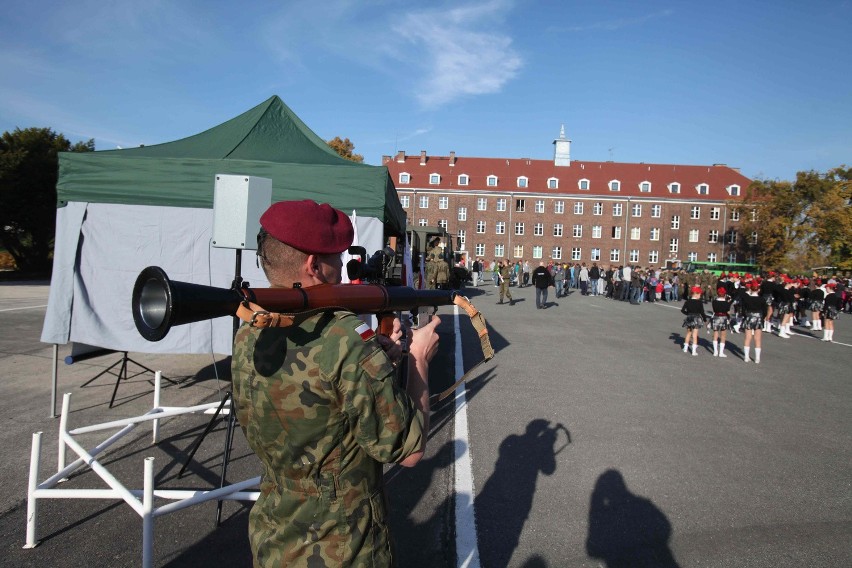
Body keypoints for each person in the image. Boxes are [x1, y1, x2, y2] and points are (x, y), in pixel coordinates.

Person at [232, 200, 441, 567]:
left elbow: (313, 387)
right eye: (338, 260)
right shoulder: (344, 335)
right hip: (341, 546)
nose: (343, 269)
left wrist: (378, 359)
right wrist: (419, 358)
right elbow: (408, 452)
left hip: (274, 536)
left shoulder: (251, 328)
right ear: (314, 265)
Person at [740, 278, 767, 363]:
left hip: (749, 317)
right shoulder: (762, 299)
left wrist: (745, 316)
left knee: (747, 338)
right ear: (759, 290)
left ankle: (746, 357)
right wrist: (762, 317)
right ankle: (757, 358)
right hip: (758, 317)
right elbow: (765, 311)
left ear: (750, 289)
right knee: (757, 339)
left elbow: (743, 309)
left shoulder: (747, 298)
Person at [681, 286, 707, 356]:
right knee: (695, 335)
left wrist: (688, 314)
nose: (700, 295)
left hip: (689, 317)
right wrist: (705, 319)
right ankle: (694, 351)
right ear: (695, 294)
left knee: (688, 333)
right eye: (699, 294)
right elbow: (702, 312)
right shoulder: (699, 302)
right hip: (697, 318)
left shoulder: (688, 301)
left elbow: (682, 310)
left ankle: (685, 348)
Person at [710, 287, 732, 357]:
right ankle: (721, 352)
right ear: (724, 294)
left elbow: (714, 310)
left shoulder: (714, 302)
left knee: (715, 333)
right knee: (723, 335)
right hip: (724, 317)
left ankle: (715, 351)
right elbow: (728, 311)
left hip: (716, 317)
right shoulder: (726, 303)